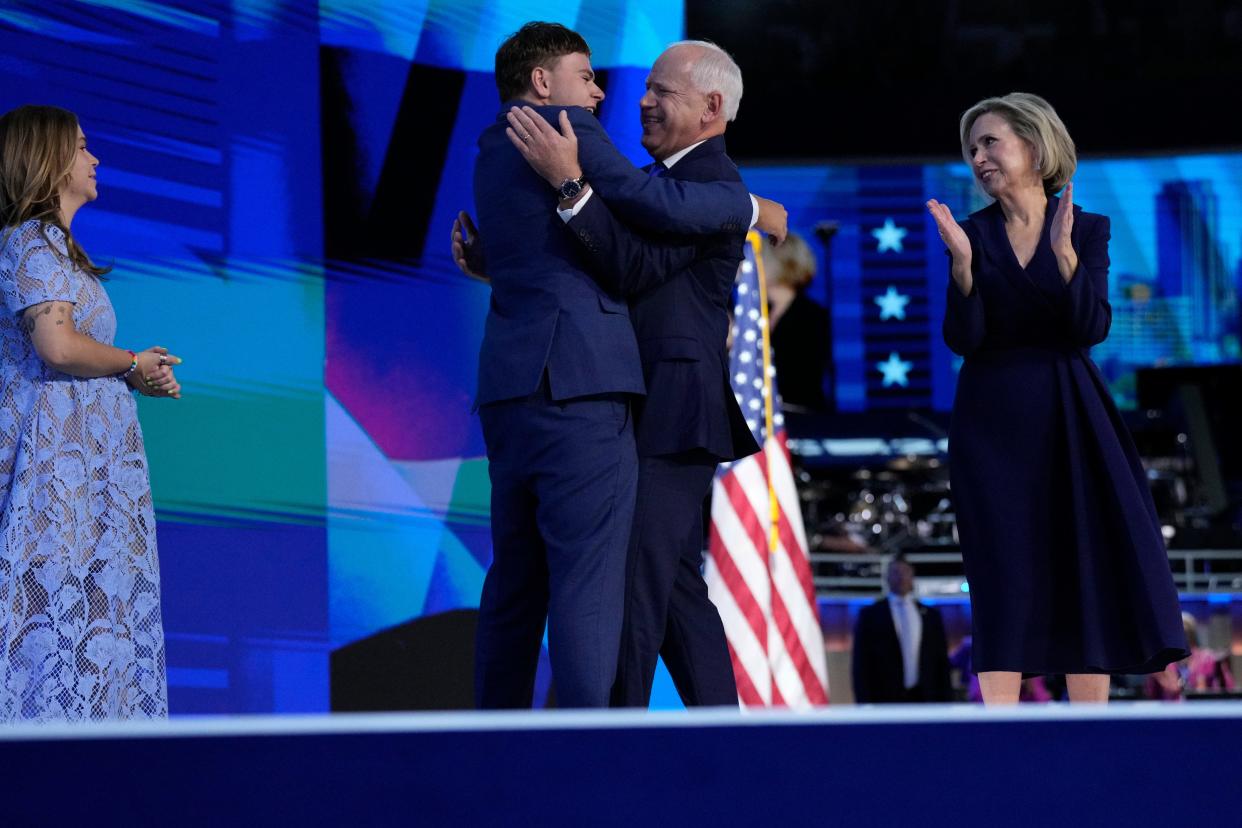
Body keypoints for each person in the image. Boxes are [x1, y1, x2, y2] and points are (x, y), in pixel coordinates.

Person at [467, 23, 785, 709]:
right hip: (604, 397)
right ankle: (713, 738)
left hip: (669, 409)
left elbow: (634, 258)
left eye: (660, 91)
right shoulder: (615, 165)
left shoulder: (711, 183)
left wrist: (749, 208)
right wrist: (524, 246)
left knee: (637, 589)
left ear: (711, 110)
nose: (633, 99)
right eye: (639, 86)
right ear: (547, 80)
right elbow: (593, 249)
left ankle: (613, 739)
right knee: (667, 587)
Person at [926, 92, 1187, 705]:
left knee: (1080, 562)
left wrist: (1067, 261)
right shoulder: (970, 236)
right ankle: (998, 736)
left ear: (1036, 148)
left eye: (991, 142)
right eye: (972, 149)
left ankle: (1086, 732)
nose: (979, 157)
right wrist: (963, 271)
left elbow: (1090, 329)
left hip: (1071, 414)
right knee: (1001, 567)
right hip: (991, 424)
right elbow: (965, 338)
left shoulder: (1087, 228)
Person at [0, 105, 181, 722]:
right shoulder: (31, 241)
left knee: (92, 635)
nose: (94, 157)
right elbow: (57, 345)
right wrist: (131, 361)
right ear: (48, 160)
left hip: (86, 482)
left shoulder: (56, 249)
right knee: (51, 630)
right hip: (55, 485)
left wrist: (131, 373)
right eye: (81, 147)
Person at [851, 556, 951, 703]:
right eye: (896, 572)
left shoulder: (930, 615)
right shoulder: (870, 615)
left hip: (926, 699)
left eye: (905, 572)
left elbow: (941, 662)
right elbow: (860, 663)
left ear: (912, 576)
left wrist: (946, 699)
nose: (901, 577)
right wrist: (864, 702)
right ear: (887, 577)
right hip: (884, 700)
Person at [762, 232, 830, 410]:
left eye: (759, 258)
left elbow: (805, 375)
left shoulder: (812, 316)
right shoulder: (756, 313)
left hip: (802, 419)